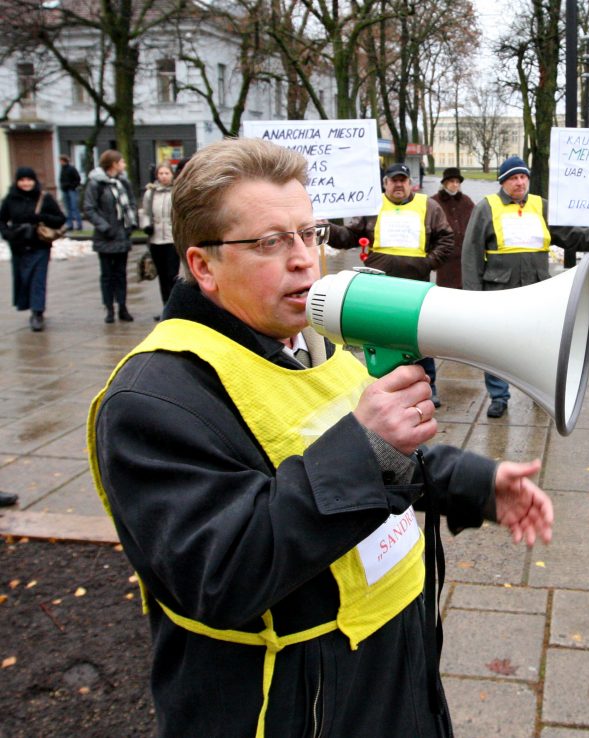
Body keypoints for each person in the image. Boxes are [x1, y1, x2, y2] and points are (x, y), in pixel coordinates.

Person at [87, 137, 553, 738]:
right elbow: (219, 572)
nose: (305, 259)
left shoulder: (314, 344)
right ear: (203, 266)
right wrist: (366, 446)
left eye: (310, 234)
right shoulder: (154, 397)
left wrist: (475, 483)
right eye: (270, 242)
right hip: (295, 703)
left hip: (387, 669)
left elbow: (372, 458)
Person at [461, 155, 589, 418]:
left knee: (540, 345)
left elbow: (572, 235)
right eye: (513, 178)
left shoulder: (540, 205)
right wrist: (472, 298)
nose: (520, 182)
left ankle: (539, 390)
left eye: (523, 177)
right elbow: (471, 255)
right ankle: (499, 396)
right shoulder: (486, 207)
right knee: (495, 346)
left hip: (537, 290)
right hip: (499, 291)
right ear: (503, 182)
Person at [328, 162, 455, 407]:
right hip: (379, 287)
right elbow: (349, 236)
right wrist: (327, 229)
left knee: (419, 337)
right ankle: (387, 386)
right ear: (385, 183)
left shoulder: (429, 206)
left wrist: (429, 262)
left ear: (410, 183)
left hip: (414, 287)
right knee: (382, 338)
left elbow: (446, 238)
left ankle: (429, 386)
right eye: (393, 181)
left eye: (402, 180)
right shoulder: (372, 207)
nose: (398, 185)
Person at [0, 166, 66, 332]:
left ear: (34, 181)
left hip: (40, 246)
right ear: (17, 181)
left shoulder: (44, 197)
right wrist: (7, 234)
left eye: (29, 180)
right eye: (22, 180)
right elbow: (2, 220)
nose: (26, 183)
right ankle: (30, 307)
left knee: (38, 280)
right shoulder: (10, 199)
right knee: (24, 280)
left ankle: (37, 313)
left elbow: (60, 219)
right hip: (19, 246)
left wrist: (41, 217)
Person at [84, 149, 137, 324]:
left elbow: (131, 202)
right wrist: (105, 227)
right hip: (105, 237)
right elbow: (89, 208)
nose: (124, 165)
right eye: (122, 161)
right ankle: (109, 309)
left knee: (121, 274)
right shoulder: (95, 184)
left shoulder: (123, 182)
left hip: (122, 235)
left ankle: (122, 306)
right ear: (114, 164)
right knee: (107, 275)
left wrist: (131, 223)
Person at [141, 161, 180, 309]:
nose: (163, 177)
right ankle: (165, 306)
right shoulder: (150, 193)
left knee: (172, 275)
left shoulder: (176, 191)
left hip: (172, 240)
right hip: (156, 240)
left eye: (166, 173)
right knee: (162, 276)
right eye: (161, 173)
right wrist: (146, 225)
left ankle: (174, 307)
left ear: (172, 174)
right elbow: (145, 212)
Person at [430, 166, 474, 289]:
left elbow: (474, 222)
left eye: (457, 182)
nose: (455, 185)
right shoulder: (434, 201)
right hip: (445, 254)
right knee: (445, 288)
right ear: (445, 183)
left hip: (463, 253)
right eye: (451, 181)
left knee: (463, 287)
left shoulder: (466, 201)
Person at [58, 154, 83, 231]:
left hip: (72, 190)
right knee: (68, 208)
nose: (60, 162)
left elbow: (78, 179)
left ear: (64, 161)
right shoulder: (62, 169)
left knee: (74, 207)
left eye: (61, 161)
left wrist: (73, 186)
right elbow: (61, 179)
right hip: (65, 190)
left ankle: (79, 225)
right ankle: (70, 225)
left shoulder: (71, 169)